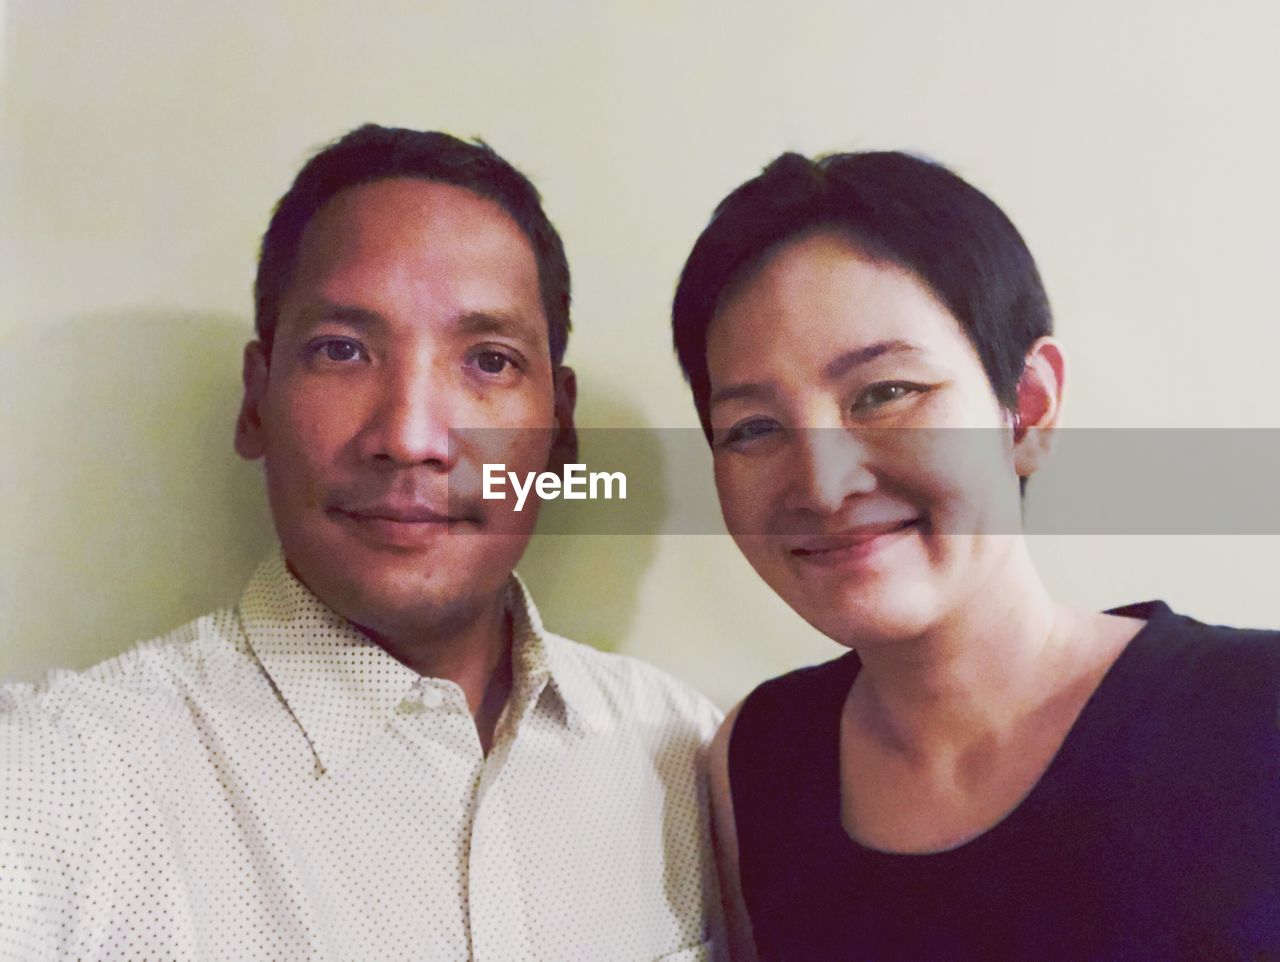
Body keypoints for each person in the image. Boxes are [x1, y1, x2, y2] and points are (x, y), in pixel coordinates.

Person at [0, 124, 721, 962]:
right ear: (256, 401)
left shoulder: (686, 756)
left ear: (560, 430)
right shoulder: (51, 791)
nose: (410, 436)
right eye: (342, 350)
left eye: (488, 361)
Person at [670, 151, 1280, 961]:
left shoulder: (1250, 712)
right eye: (752, 428)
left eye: (886, 392)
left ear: (1026, 407)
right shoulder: (759, 760)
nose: (821, 484)